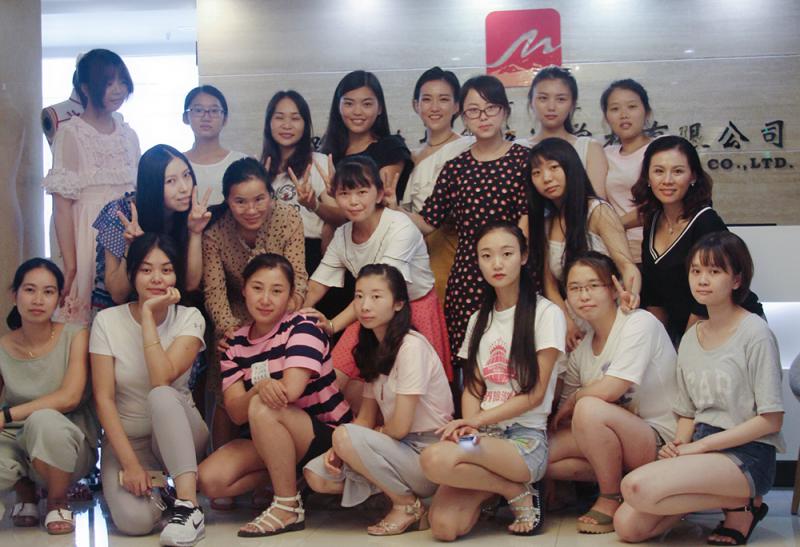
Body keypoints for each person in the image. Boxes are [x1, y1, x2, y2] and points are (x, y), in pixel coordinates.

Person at [614, 231, 784, 545]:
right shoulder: (691, 338)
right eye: (696, 271)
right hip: (701, 448)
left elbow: (771, 420)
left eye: (714, 271)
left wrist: (700, 447)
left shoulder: (755, 333)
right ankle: (741, 505)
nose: (702, 280)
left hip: (747, 455)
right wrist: (678, 445)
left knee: (636, 487)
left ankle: (742, 503)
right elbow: (688, 413)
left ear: (736, 280)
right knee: (627, 526)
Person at [420, 222, 566, 539]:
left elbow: (535, 394)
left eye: (506, 254)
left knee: (435, 456)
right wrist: (471, 426)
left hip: (524, 442)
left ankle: (515, 485)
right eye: (486, 256)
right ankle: (511, 489)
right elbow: (473, 387)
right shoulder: (479, 319)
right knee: (444, 527)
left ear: (523, 257)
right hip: (484, 438)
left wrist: (475, 421)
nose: (496, 264)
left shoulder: (546, 314)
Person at [197, 253, 352, 537]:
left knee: (264, 406)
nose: (265, 299)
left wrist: (260, 391)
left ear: (291, 297)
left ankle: (287, 506)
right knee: (210, 480)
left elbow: (289, 392)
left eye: (277, 291)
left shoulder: (303, 327)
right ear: (244, 290)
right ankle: (293, 479)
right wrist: (259, 387)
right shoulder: (233, 345)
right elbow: (236, 413)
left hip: (327, 435)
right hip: (272, 434)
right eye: (257, 288)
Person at [303, 263, 454, 535]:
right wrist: (341, 449)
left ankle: (406, 504)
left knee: (344, 436)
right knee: (316, 475)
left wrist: (350, 441)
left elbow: (400, 428)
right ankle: (398, 495)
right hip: (397, 448)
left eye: (376, 296)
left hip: (428, 451)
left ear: (398, 304)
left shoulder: (411, 347)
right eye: (359, 296)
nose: (364, 305)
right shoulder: (374, 348)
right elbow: (365, 418)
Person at [388, 75, 530, 361]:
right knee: (471, 358)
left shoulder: (524, 160)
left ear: (505, 110)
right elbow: (428, 222)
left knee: (516, 355)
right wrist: (395, 208)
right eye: (473, 110)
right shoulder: (455, 167)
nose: (483, 117)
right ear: (463, 117)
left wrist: (513, 263)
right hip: (468, 276)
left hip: (515, 271)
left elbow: (527, 220)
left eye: (491, 108)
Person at [302, 156, 452, 409]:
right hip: (368, 309)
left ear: (380, 193)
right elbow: (317, 285)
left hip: (411, 310)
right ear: (335, 196)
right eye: (345, 193)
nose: (354, 201)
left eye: (362, 192)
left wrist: (332, 325)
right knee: (335, 380)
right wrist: (294, 314)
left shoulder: (400, 226)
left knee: (405, 394)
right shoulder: (343, 234)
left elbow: (380, 288)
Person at [546, 251, 677, 534]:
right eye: (575, 288)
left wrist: (576, 399)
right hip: (619, 440)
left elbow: (611, 388)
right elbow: (565, 417)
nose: (584, 296)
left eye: (593, 286)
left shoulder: (638, 323)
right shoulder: (581, 350)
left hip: (660, 441)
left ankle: (609, 497)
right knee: (540, 454)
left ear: (615, 289)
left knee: (588, 407)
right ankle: (624, 482)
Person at [90, 234, 208, 545]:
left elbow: (161, 377)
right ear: (132, 275)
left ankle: (188, 507)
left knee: (161, 394)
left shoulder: (189, 317)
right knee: (135, 522)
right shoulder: (106, 322)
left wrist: (146, 317)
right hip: (129, 443)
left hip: (180, 433)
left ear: (176, 275)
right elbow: (103, 399)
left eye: (166, 270)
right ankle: (164, 497)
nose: (157, 278)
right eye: (146, 270)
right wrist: (130, 465)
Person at [202, 157, 308, 477]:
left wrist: (281, 319)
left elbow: (298, 277)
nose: (251, 209)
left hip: (283, 306)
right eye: (240, 201)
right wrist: (231, 333)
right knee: (225, 370)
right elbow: (215, 291)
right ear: (227, 200)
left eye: (259, 199)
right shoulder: (215, 234)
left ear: (271, 195)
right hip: (237, 313)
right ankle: (225, 461)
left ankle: (281, 467)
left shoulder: (288, 218)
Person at [632, 136, 763, 342]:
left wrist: (686, 347)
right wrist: (658, 343)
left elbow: (706, 297)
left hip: (728, 330)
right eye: (658, 171)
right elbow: (653, 294)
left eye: (678, 171)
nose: (667, 180)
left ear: (692, 176)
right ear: (647, 177)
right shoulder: (653, 219)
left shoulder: (706, 221)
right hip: (682, 330)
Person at [0, 259, 98, 535]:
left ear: (59, 298)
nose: (38, 300)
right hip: (17, 439)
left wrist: (8, 414)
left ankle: (57, 500)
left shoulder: (76, 336)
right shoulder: (3, 346)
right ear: (15, 295)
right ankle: (26, 494)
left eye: (48, 291)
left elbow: (70, 397)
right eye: (30, 290)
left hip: (67, 440)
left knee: (43, 421)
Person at [43, 48, 140, 325]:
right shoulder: (70, 134)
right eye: (108, 83)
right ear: (85, 88)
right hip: (88, 232)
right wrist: (70, 264)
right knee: (86, 317)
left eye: (122, 81)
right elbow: (62, 207)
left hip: (127, 230)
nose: (118, 89)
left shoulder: (129, 134)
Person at [528, 137, 640, 351]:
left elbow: (627, 265)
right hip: (573, 321)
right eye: (537, 172)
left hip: (611, 313)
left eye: (554, 167)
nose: (547, 178)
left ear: (570, 167)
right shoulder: (546, 224)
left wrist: (631, 295)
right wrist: (566, 322)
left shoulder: (597, 211)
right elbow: (549, 284)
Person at [93, 144, 211, 311]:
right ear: (152, 185)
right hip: (120, 310)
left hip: (168, 304)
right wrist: (131, 247)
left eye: (187, 175)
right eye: (171, 181)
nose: (184, 188)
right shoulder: (120, 213)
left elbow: (190, 284)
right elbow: (118, 295)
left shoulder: (191, 213)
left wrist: (195, 232)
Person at [401, 67, 473, 305]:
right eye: (427, 99)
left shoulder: (468, 148)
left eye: (443, 99)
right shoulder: (410, 156)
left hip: (454, 252)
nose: (434, 107)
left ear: (456, 106)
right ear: (415, 105)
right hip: (415, 255)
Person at [260, 90, 344, 276]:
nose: (287, 125)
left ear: (305, 125)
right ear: (269, 123)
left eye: (295, 118)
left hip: (310, 252)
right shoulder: (261, 168)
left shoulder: (319, 163)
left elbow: (341, 216)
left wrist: (314, 205)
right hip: (268, 253)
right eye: (279, 117)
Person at [320, 70, 413, 202]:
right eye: (349, 103)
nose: (357, 111)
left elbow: (376, 202)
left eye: (367, 104)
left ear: (380, 108)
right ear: (338, 107)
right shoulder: (327, 153)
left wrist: (324, 202)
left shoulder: (391, 149)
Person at [519, 65, 607, 196]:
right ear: (531, 102)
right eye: (543, 98)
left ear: (572, 104)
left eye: (561, 99)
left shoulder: (588, 148)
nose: (551, 107)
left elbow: (597, 203)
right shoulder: (518, 148)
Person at [601, 79, 653, 263]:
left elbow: (661, 204)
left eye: (632, 107)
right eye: (615, 109)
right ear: (606, 117)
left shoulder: (662, 148)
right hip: (616, 252)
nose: (624, 115)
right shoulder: (605, 154)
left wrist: (614, 225)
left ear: (647, 111)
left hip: (657, 248)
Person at [182, 85, 248, 206]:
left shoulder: (241, 162)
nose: (206, 117)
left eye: (214, 111)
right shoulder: (176, 163)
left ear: (225, 119)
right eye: (198, 110)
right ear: (185, 117)